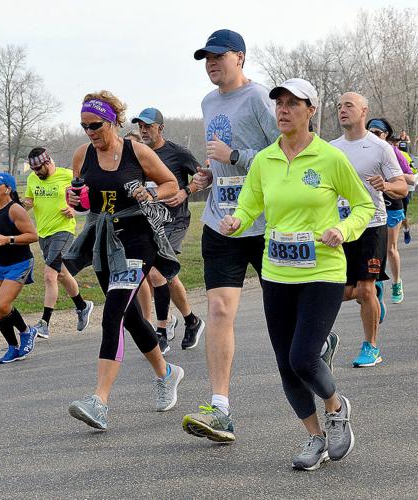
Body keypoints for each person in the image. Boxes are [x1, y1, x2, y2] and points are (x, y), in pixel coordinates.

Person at [219, 78, 368, 470]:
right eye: (279, 104)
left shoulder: (330, 158)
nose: (283, 110)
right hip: (277, 272)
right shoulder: (265, 160)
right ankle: (314, 437)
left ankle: (336, 408)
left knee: (303, 358)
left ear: (310, 110)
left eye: (292, 103)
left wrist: (344, 230)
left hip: (322, 270)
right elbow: (250, 204)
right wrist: (237, 219)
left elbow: (363, 206)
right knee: (285, 363)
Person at [63, 91, 185, 430]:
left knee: (112, 314)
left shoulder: (137, 151)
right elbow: (80, 200)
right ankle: (166, 373)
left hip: (136, 240)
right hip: (103, 242)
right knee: (130, 318)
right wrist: (73, 198)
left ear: (113, 121)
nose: (90, 132)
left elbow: (170, 183)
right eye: (84, 126)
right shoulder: (81, 155)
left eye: (96, 125)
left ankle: (99, 401)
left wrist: (150, 192)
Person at [181, 29, 280, 442]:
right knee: (220, 309)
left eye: (218, 56)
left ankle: (318, 340)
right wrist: (209, 174)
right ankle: (220, 407)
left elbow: (287, 150)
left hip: (263, 220)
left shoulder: (259, 98)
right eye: (206, 58)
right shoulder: (208, 102)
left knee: (285, 312)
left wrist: (236, 156)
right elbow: (219, 159)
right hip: (221, 220)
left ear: (239, 57)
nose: (211, 63)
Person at [331, 93, 408, 368]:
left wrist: (385, 185)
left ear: (363, 111)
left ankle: (371, 346)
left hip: (372, 225)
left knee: (364, 290)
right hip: (340, 228)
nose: (342, 110)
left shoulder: (379, 148)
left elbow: (403, 185)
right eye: (339, 106)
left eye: (348, 105)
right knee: (334, 290)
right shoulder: (331, 149)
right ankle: (372, 301)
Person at [133, 107, 207, 353]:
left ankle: (161, 331)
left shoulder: (178, 153)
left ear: (160, 128)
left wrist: (185, 191)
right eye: (140, 127)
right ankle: (191, 320)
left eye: (148, 127)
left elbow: (203, 177)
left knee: (157, 274)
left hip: (175, 221)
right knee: (168, 275)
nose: (144, 131)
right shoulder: (137, 154)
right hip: (149, 222)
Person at [22, 148, 94, 339]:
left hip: (63, 231)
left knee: (49, 274)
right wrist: (22, 206)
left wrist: (75, 210)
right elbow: (29, 201)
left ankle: (44, 323)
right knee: (61, 273)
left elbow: (88, 199)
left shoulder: (68, 176)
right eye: (33, 169)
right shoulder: (32, 179)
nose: (36, 172)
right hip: (43, 233)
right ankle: (82, 306)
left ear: (47, 163)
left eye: (38, 168)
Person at [0, 172, 40, 363]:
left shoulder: (15, 210)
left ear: (8, 189)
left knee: (2, 305)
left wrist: (8, 239)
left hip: (19, 263)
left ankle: (27, 332)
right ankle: (13, 347)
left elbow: (33, 235)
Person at [366, 118, 414, 305]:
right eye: (370, 132)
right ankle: (376, 284)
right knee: (372, 247)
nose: (373, 136)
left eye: (377, 133)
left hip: (392, 202)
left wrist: (391, 178)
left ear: (386, 135)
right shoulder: (363, 150)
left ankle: (396, 281)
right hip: (371, 205)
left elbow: (411, 178)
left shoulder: (393, 152)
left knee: (389, 248)